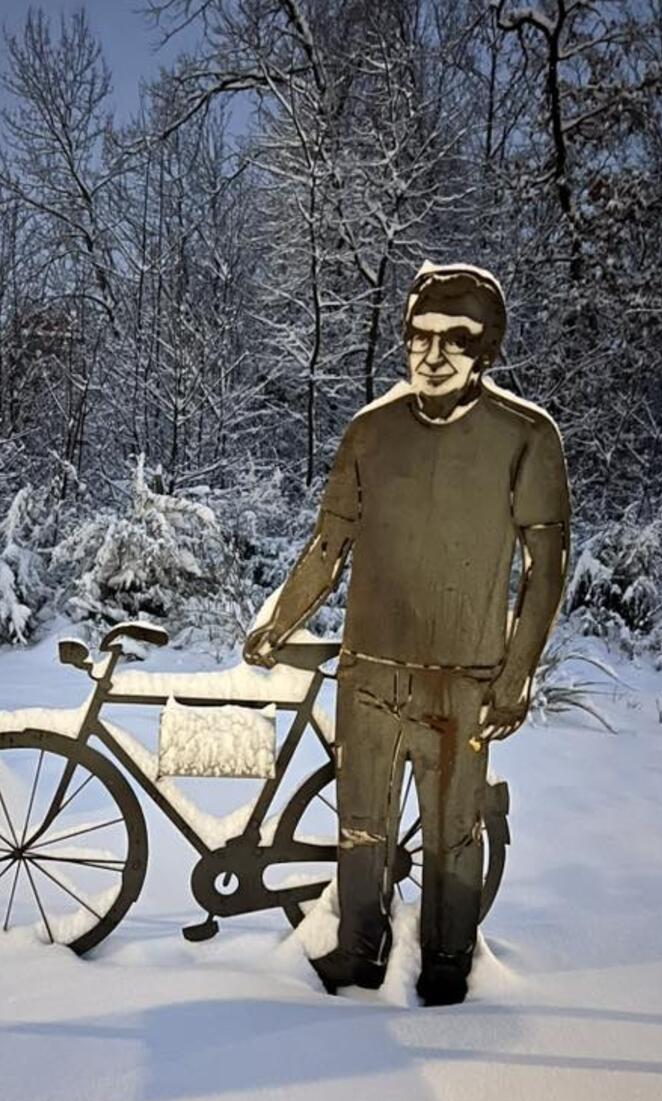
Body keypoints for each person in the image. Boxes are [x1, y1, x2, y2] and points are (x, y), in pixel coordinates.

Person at [244, 261, 570, 1005]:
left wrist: (516, 675)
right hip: (370, 669)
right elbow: (330, 543)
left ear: (486, 350)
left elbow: (545, 567)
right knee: (362, 825)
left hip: (466, 675)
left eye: (455, 340)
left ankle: (448, 957)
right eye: (419, 336)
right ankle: (360, 949)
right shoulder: (372, 430)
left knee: (454, 831)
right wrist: (277, 621)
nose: (432, 354)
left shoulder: (524, 436)